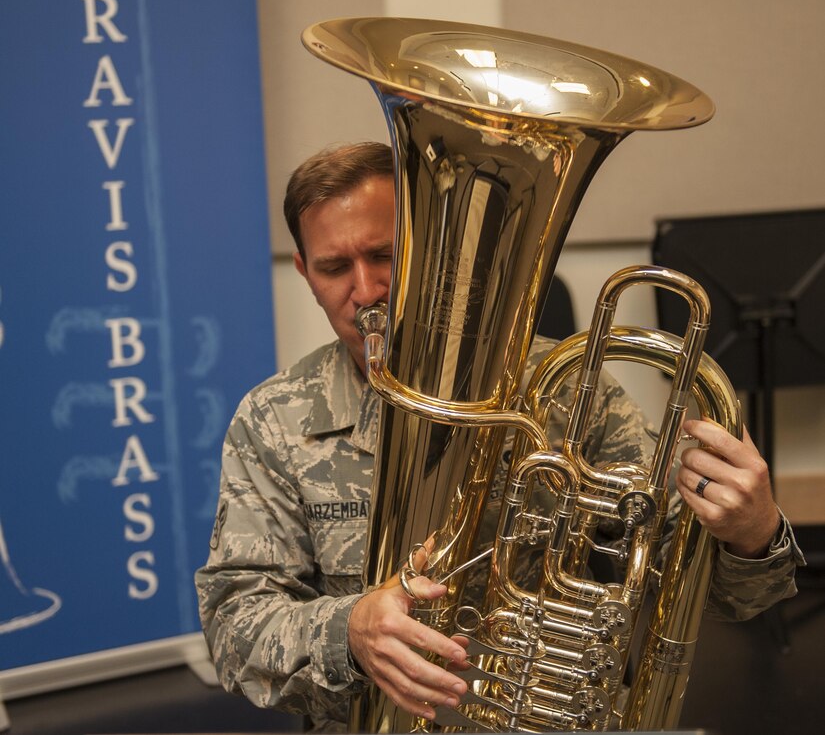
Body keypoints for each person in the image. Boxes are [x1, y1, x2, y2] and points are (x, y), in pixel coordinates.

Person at [195, 142, 804, 732]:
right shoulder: (274, 419)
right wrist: (349, 631)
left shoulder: (569, 392)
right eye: (333, 267)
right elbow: (235, 628)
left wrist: (751, 535)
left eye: (385, 255)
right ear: (304, 271)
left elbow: (718, 592)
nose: (366, 291)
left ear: (431, 249)